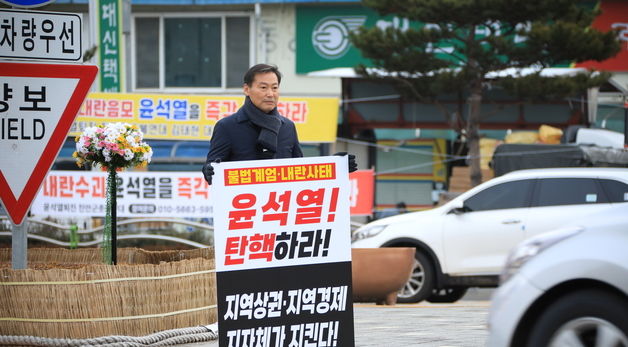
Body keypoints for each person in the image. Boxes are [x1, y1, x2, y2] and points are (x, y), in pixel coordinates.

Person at [202, 64, 356, 184]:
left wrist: (334, 167)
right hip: (244, 212)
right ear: (246, 89)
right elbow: (212, 169)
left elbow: (301, 171)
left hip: (280, 213)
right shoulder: (227, 127)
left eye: (274, 88)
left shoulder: (287, 126)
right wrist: (209, 170)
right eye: (263, 88)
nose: (270, 94)